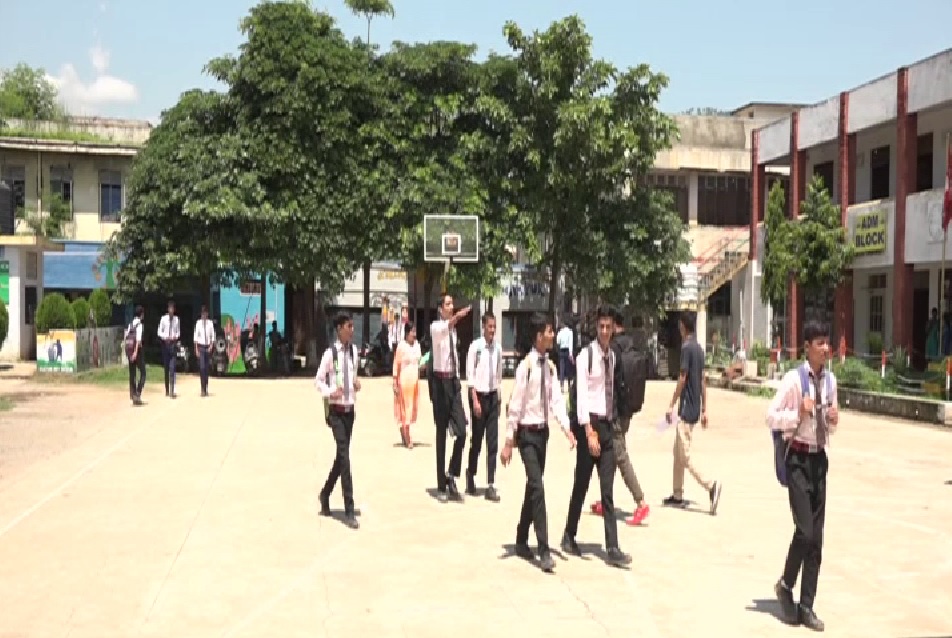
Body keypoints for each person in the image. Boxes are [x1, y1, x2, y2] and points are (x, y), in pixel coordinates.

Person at [767, 320, 838, 631]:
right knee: (805, 530)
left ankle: (806, 605)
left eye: (827, 342)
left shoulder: (831, 381)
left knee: (817, 539)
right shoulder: (794, 381)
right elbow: (770, 416)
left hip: (819, 460)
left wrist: (834, 418)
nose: (826, 348)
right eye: (819, 342)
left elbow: (831, 423)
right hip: (796, 457)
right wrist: (798, 413)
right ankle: (785, 583)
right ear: (807, 347)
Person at [500, 312, 575, 572]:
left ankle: (521, 538)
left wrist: (567, 429)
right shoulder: (526, 367)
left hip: (543, 434)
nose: (553, 335)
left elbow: (555, 401)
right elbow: (516, 406)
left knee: (533, 488)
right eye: (549, 331)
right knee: (538, 488)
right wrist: (509, 440)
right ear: (538, 336)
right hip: (527, 436)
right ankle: (543, 550)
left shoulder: (550, 367)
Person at [561, 305, 632, 568]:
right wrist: (588, 431)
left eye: (608, 327)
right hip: (588, 427)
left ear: (613, 328)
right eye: (600, 326)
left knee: (607, 490)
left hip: (607, 428)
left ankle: (612, 547)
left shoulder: (612, 357)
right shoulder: (585, 357)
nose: (604, 331)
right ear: (596, 328)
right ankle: (569, 534)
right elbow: (580, 396)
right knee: (581, 484)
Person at [589, 309, 650, 526]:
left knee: (619, 455)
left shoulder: (614, 348)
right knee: (613, 455)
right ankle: (606, 500)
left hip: (614, 412)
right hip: (628, 410)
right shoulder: (632, 345)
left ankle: (641, 501)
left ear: (614, 325)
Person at [664, 310, 722, 514]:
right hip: (695, 407)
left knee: (685, 455)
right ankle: (677, 494)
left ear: (682, 326)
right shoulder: (698, 348)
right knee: (677, 452)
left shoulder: (687, 349)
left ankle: (711, 485)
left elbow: (683, 377)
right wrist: (705, 408)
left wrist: (671, 404)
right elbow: (702, 380)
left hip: (687, 408)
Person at [315, 312, 362, 530]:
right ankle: (349, 508)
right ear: (340, 329)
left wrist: (355, 382)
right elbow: (318, 381)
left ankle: (325, 494)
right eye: (349, 326)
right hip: (335, 412)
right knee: (345, 456)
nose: (352, 330)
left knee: (341, 458)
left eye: (353, 326)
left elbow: (352, 375)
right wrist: (331, 391)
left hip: (349, 411)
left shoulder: (353, 352)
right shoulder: (330, 353)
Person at [429, 293, 472, 502]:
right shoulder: (436, 327)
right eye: (447, 304)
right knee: (441, 435)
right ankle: (440, 485)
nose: (452, 307)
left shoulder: (453, 333)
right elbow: (448, 325)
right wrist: (459, 316)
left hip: (453, 383)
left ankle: (452, 474)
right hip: (440, 384)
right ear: (440, 309)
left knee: (462, 432)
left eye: (453, 304)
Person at [465, 312, 504, 501]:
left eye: (494, 327)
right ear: (483, 327)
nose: (492, 330)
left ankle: (490, 484)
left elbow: (498, 375)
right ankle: (470, 474)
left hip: (492, 397)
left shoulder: (497, 349)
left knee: (493, 443)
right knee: (477, 441)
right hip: (478, 397)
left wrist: (499, 395)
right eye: (490, 327)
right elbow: (470, 377)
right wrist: (474, 400)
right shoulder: (476, 348)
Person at [393, 321, 423, 449]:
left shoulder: (417, 345)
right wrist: (395, 381)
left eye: (415, 331)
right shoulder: (401, 346)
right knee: (406, 408)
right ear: (407, 333)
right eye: (412, 332)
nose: (414, 334)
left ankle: (404, 430)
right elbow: (396, 364)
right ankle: (407, 436)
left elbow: (419, 361)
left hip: (414, 380)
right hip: (404, 381)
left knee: (412, 409)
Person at [157, 300, 181, 399]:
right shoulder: (163, 319)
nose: (171, 311)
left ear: (174, 310)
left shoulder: (176, 319)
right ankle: (167, 388)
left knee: (172, 368)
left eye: (172, 309)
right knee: (166, 367)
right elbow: (159, 331)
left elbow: (178, 332)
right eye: (169, 308)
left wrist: (175, 337)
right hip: (165, 344)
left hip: (173, 344)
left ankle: (172, 389)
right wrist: (165, 337)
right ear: (168, 309)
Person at [193, 305, 215, 397]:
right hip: (201, 347)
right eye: (202, 313)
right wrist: (196, 349)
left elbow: (212, 336)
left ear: (207, 314)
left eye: (205, 313)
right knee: (201, 368)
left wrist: (211, 346)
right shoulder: (198, 323)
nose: (204, 315)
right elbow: (195, 337)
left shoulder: (210, 323)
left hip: (208, 347)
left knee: (206, 368)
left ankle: (206, 387)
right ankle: (202, 388)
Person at [126, 305, 145, 406]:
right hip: (137, 352)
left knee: (132, 374)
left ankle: (133, 394)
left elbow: (127, 338)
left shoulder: (130, 324)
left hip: (129, 351)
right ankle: (137, 393)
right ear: (141, 314)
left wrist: (130, 353)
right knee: (143, 373)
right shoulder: (139, 325)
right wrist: (136, 352)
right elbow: (138, 340)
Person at [556, 320, 574, 392]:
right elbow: (570, 343)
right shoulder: (570, 332)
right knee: (568, 368)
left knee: (562, 368)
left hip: (561, 351)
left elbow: (558, 341)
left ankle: (562, 385)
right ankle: (569, 385)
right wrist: (570, 353)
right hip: (567, 351)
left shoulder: (560, 332)